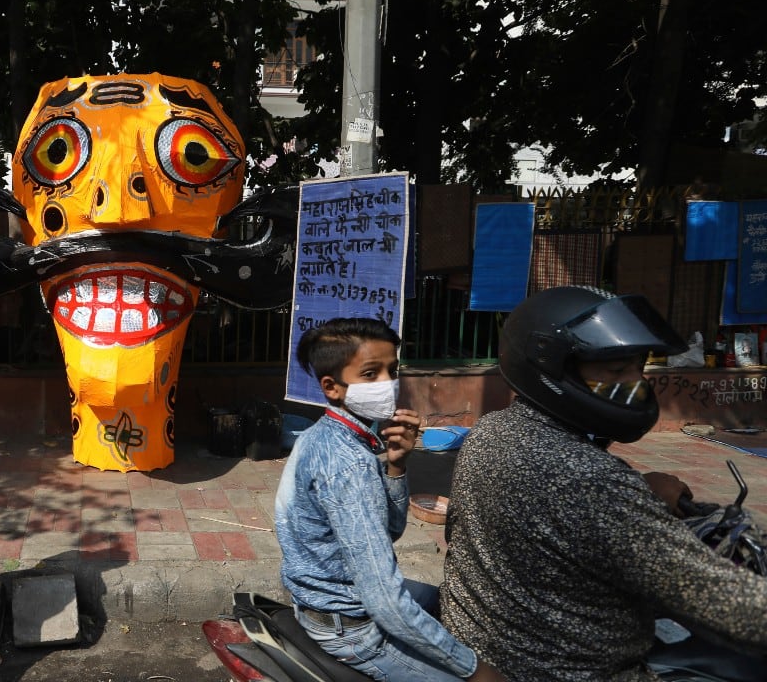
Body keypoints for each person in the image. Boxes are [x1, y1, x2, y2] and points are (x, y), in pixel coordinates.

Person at [441, 285, 767, 680]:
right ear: (551, 368)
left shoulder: (490, 430)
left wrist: (640, 490)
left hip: (491, 644)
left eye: (637, 368)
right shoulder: (597, 485)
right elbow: (728, 602)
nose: (635, 385)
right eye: (615, 372)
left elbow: (554, 499)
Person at [275, 318, 506, 681]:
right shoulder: (349, 464)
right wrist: (475, 669)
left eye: (392, 370)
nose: (387, 384)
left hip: (323, 600)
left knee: (442, 600)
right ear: (332, 387)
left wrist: (397, 466)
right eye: (370, 374)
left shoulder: (324, 437)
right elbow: (386, 601)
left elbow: (387, 532)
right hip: (353, 628)